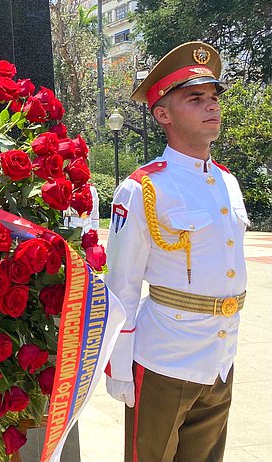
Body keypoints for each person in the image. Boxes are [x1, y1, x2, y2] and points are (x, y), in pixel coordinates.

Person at [104, 42, 249, 462]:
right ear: (163, 114)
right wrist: (120, 365)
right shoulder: (144, 188)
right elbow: (122, 285)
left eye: (214, 97)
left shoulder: (227, 182)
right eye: (196, 98)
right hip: (164, 358)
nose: (212, 107)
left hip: (220, 357)